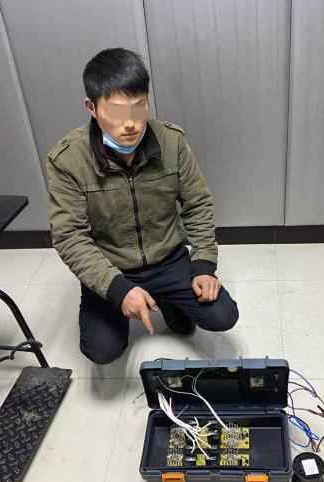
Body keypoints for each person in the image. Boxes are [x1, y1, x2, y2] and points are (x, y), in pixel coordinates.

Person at [46, 48, 239, 365]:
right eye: (117, 112)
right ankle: (127, 299)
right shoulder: (67, 160)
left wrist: (204, 265)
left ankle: (168, 300)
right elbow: (69, 236)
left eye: (139, 108)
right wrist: (117, 289)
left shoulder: (172, 142)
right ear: (91, 108)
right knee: (102, 350)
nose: (131, 124)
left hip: (168, 259)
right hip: (112, 264)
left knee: (222, 315)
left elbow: (198, 203)